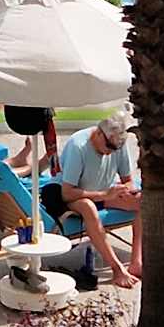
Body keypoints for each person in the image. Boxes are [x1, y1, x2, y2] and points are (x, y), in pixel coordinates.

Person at [41, 112, 142, 289]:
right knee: (88, 207)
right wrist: (105, 195)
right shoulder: (78, 146)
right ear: (99, 133)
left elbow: (127, 179)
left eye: (115, 148)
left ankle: (136, 262)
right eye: (109, 146)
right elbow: (67, 193)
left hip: (101, 192)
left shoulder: (117, 144)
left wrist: (128, 191)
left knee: (142, 201)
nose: (111, 151)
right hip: (65, 194)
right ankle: (117, 269)